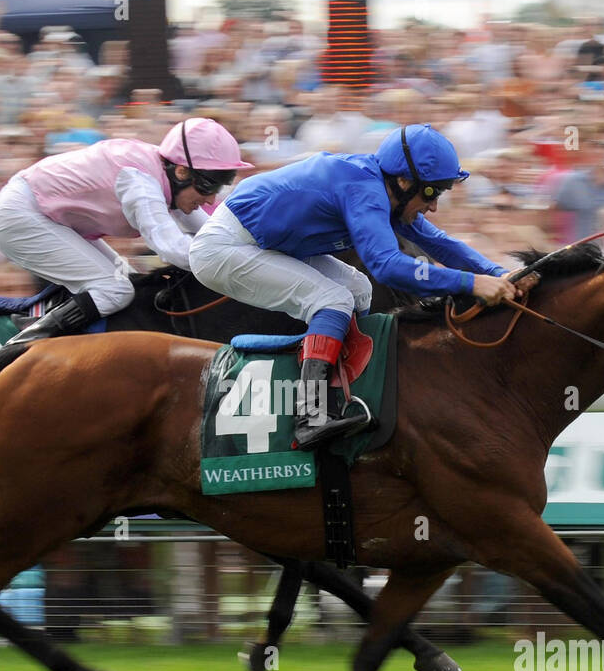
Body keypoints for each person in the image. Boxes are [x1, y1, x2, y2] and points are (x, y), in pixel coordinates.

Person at [189, 123, 517, 449]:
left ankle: (345, 390)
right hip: (226, 247)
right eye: (431, 192)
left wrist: (502, 274)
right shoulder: (365, 191)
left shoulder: (383, 188)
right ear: (403, 182)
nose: (433, 206)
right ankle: (310, 417)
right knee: (332, 299)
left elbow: (440, 243)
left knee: (359, 288)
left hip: (263, 242)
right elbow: (388, 266)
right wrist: (470, 283)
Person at [0, 118, 251, 344]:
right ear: (182, 172)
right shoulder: (140, 183)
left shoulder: (173, 177)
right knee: (115, 290)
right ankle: (21, 345)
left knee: (131, 284)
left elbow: (212, 234)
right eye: (208, 188)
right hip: (22, 215)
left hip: (49, 216)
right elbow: (173, 249)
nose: (209, 199)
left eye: (218, 189)